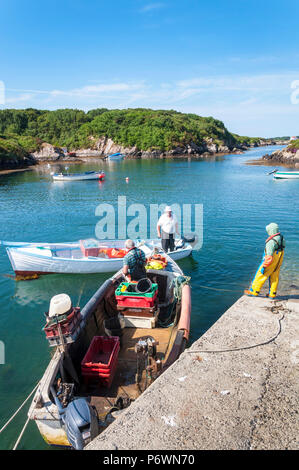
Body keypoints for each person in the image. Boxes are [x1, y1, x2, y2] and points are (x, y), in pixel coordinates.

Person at [244, 223, 285, 299]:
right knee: (274, 277)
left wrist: (264, 266)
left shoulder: (271, 242)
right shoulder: (281, 237)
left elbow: (269, 257)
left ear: (271, 231)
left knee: (260, 275)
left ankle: (254, 291)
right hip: (279, 260)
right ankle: (272, 294)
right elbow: (283, 247)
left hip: (272, 260)